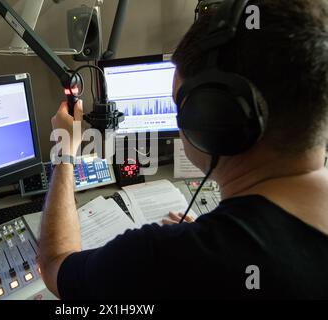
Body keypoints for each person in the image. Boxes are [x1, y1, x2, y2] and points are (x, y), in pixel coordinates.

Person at [39, 0, 328, 299]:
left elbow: (54, 266)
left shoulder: (161, 256)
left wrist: (65, 151)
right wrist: (206, 236)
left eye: (179, 102)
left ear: (211, 115)